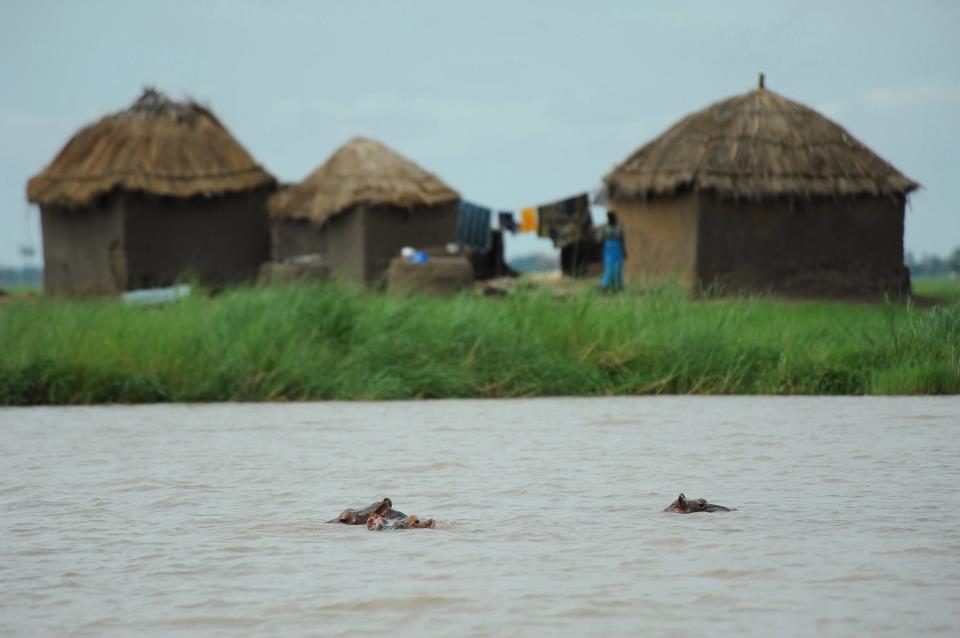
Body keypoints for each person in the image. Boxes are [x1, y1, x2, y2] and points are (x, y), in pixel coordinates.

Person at [599, 211, 626, 292]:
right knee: (609, 268)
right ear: (609, 218)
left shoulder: (620, 227)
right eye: (612, 217)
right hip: (608, 248)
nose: (614, 219)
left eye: (614, 217)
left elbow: (622, 239)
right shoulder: (604, 227)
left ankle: (619, 286)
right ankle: (604, 285)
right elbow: (601, 239)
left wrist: (624, 251)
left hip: (618, 247)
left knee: (618, 267)